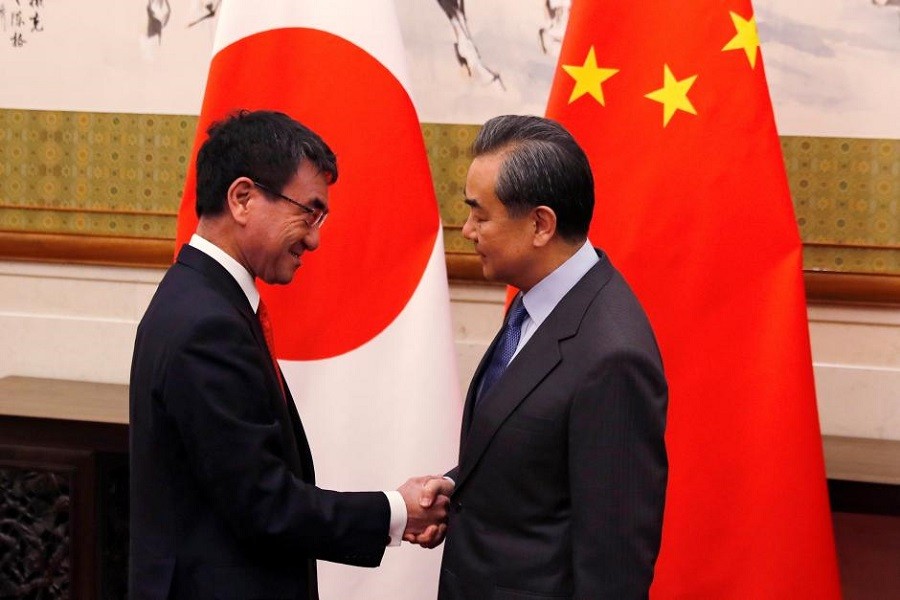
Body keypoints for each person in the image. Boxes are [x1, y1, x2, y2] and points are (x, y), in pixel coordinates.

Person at [129, 109, 450, 600]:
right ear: (242, 198)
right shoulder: (206, 324)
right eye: (309, 211)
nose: (315, 238)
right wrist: (398, 511)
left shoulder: (202, 298)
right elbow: (263, 504)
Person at [424, 115, 668, 598]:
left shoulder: (612, 357)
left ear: (540, 224)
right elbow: (538, 457)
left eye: (480, 214)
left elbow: (614, 563)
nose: (467, 230)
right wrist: (457, 487)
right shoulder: (540, 299)